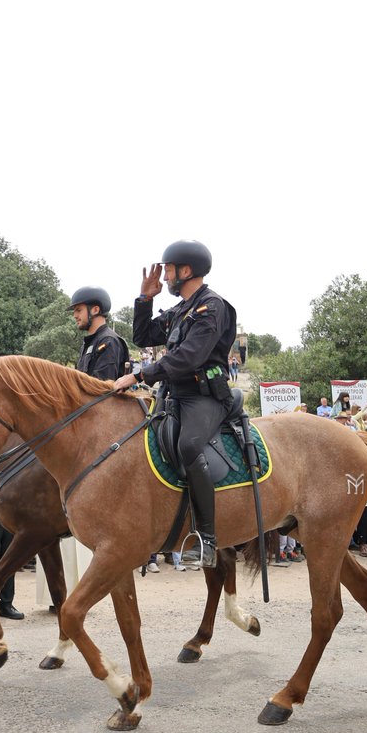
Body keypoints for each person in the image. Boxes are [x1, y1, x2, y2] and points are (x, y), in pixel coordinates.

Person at [113, 239, 236, 568]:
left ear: (186, 270)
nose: (165, 277)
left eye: (168, 270)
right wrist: (144, 299)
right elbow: (143, 336)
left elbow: (189, 356)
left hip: (204, 396)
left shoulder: (211, 306)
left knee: (189, 446)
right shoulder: (180, 309)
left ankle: (207, 540)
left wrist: (141, 376)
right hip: (173, 394)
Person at [68, 286, 131, 380]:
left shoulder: (108, 341)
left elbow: (103, 388)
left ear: (95, 310)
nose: (75, 315)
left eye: (79, 310)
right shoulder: (91, 342)